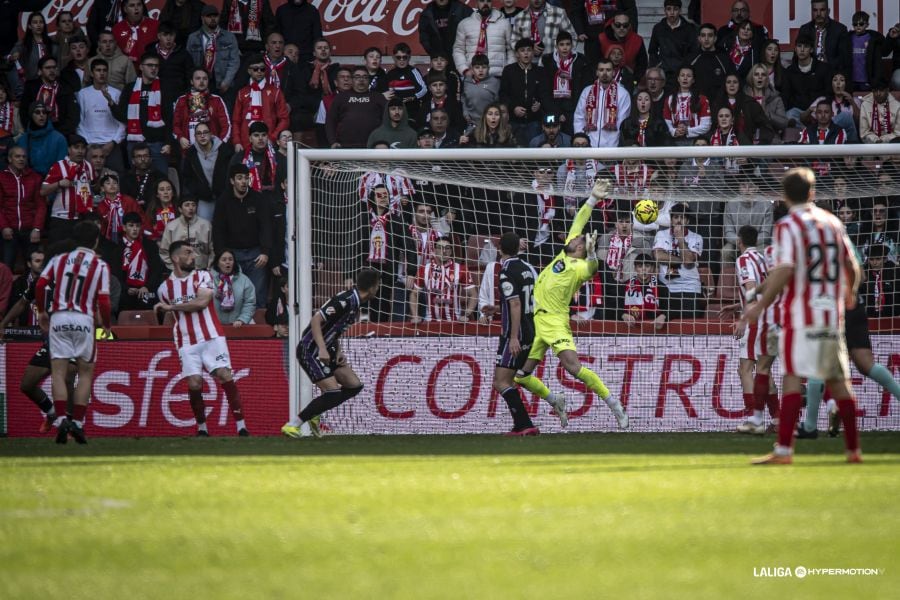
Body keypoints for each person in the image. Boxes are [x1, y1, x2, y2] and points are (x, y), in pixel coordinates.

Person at [740, 167, 862, 464]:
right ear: (813, 193)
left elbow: (784, 269)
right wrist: (850, 293)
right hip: (831, 312)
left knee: (792, 377)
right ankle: (853, 450)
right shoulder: (832, 222)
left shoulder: (787, 226)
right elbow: (851, 264)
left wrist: (758, 303)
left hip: (800, 314)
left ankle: (783, 450)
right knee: (838, 380)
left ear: (783, 197)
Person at [514, 179, 629, 430]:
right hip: (536, 322)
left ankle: (614, 405)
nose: (574, 237)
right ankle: (555, 399)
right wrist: (592, 199)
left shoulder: (579, 266)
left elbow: (592, 269)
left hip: (555, 321)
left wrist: (592, 255)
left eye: (579, 240)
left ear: (581, 248)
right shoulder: (563, 254)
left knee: (573, 367)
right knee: (519, 376)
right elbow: (579, 219)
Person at [155, 240, 249, 436]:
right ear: (175, 258)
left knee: (225, 374)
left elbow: (202, 302)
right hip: (186, 341)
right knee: (195, 383)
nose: (194, 256)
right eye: (188, 253)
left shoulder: (203, 276)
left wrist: (171, 307)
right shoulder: (164, 289)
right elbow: (168, 316)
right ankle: (202, 429)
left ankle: (241, 427)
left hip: (211, 336)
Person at [35, 221, 112, 444]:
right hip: (84, 319)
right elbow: (104, 300)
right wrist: (106, 325)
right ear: (96, 240)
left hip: (59, 318)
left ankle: (60, 420)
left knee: (58, 373)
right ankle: (77, 423)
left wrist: (42, 312)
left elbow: (40, 285)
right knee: (85, 373)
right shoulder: (100, 265)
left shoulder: (59, 260)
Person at [281, 268, 380, 438]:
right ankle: (293, 425)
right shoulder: (345, 301)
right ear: (372, 287)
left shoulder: (355, 303)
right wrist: (322, 349)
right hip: (310, 350)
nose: (378, 289)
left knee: (354, 386)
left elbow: (336, 329)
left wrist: (338, 351)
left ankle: (316, 411)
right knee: (333, 393)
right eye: (378, 285)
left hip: (329, 348)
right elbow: (316, 320)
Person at [718, 226, 779, 435]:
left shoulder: (743, 260)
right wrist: (737, 305)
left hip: (757, 319)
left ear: (739, 241)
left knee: (745, 369)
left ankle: (755, 420)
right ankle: (777, 419)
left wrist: (744, 318)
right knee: (764, 370)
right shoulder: (761, 258)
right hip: (770, 316)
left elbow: (752, 288)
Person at [491, 231, 543, 435]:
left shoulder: (506, 270)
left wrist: (513, 337)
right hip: (531, 329)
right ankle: (521, 424)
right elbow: (527, 299)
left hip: (516, 333)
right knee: (511, 380)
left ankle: (525, 424)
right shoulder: (528, 269)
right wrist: (496, 309)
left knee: (501, 381)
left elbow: (515, 302)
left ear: (499, 249)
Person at [213, 164, 272, 308]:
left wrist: (265, 252)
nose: (243, 181)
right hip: (233, 255)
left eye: (246, 178)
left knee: (258, 294)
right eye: (239, 178)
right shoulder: (223, 201)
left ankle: (258, 326)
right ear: (232, 181)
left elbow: (266, 226)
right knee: (235, 294)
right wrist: (222, 255)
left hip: (256, 254)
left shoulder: (258, 199)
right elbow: (218, 230)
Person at [113, 52, 173, 175]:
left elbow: (169, 117)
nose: (153, 68)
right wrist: (111, 104)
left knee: (161, 180)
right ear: (141, 67)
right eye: (150, 65)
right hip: (135, 144)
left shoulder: (164, 87)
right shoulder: (130, 88)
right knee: (136, 181)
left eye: (156, 66)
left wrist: (168, 142)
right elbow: (123, 117)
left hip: (157, 144)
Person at [409, 235, 477, 323]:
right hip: (430, 322)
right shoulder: (424, 269)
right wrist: (415, 316)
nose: (444, 251)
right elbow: (414, 294)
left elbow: (473, 295)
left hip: (454, 323)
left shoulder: (461, 269)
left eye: (447, 248)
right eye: (440, 248)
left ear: (451, 251)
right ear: (434, 250)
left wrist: (466, 314)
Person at [653, 203, 704, 319]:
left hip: (690, 287)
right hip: (666, 287)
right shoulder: (661, 234)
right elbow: (658, 256)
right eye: (676, 217)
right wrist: (683, 258)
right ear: (671, 220)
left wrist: (680, 238)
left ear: (688, 221)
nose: (679, 221)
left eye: (683, 217)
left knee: (689, 327)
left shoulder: (697, 237)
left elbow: (689, 261)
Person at [41, 134, 94, 244]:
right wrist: (59, 183)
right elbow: (43, 191)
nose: (80, 151)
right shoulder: (59, 166)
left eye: (83, 148)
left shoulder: (88, 166)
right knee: (57, 255)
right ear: (69, 149)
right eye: (76, 147)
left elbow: (92, 186)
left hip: (82, 219)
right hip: (61, 219)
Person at [76, 59, 126, 173]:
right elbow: (79, 121)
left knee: (116, 177)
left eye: (104, 70)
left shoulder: (116, 93)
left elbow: (122, 122)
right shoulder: (83, 94)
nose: (102, 73)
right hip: (90, 144)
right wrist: (88, 143)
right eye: (98, 70)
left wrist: (114, 142)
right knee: (88, 177)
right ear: (92, 73)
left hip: (112, 144)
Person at [231, 54, 290, 153]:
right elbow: (236, 121)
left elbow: (284, 119)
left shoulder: (275, 92)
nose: (259, 72)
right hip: (245, 143)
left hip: (269, 142)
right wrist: (237, 141)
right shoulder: (242, 93)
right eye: (255, 69)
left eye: (262, 69)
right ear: (249, 71)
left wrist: (273, 138)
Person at [0, 146, 44, 269]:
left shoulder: (35, 178)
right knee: (5, 268)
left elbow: (41, 205)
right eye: (17, 156)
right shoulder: (1, 177)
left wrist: (37, 228)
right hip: (9, 229)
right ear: (9, 159)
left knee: (34, 267)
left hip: (29, 229)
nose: (21, 159)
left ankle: (30, 288)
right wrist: (4, 227)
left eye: (24, 157)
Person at [181, 121, 236, 220]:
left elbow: (232, 174)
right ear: (195, 136)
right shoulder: (191, 154)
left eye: (205, 132)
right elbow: (187, 178)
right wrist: (199, 191)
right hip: (204, 198)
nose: (202, 136)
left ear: (211, 134)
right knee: (203, 225)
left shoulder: (225, 150)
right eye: (199, 133)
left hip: (224, 196)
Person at [538, 32, 589, 134]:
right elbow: (544, 91)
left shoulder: (581, 61)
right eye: (561, 45)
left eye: (567, 44)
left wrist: (576, 110)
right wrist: (556, 112)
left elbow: (584, 88)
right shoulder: (547, 61)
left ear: (572, 45)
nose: (565, 48)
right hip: (552, 107)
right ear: (556, 46)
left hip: (574, 107)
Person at [573, 57, 631, 148]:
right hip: (588, 146)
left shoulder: (623, 93)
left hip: (612, 147)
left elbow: (622, 123)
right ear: (597, 72)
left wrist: (614, 145)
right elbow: (579, 118)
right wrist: (581, 142)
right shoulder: (587, 91)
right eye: (601, 70)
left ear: (613, 72)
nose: (604, 73)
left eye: (608, 70)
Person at [185, 5, 240, 99]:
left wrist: (227, 82)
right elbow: (188, 63)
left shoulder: (229, 37)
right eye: (209, 16)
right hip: (200, 83)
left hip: (223, 83)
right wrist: (194, 82)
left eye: (215, 16)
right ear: (202, 18)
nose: (213, 18)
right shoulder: (193, 38)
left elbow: (234, 61)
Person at [325, 66, 387, 149]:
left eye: (365, 77)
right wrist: (333, 141)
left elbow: (388, 120)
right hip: (346, 147)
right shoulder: (341, 97)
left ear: (369, 80)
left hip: (373, 146)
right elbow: (330, 121)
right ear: (352, 80)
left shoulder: (378, 97)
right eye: (357, 77)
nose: (361, 80)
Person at [172, 67, 232, 149]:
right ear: (191, 81)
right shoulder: (182, 100)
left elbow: (226, 125)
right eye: (198, 78)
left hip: (212, 151)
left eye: (205, 79)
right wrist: (180, 137)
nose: (201, 81)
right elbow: (175, 124)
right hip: (188, 151)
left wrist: (220, 143)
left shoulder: (216, 100)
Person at [452, 0, 513, 79]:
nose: (485, 4)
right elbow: (458, 50)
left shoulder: (504, 23)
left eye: (488, 1)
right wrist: (465, 70)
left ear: (492, 3)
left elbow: (511, 49)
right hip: (472, 76)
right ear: (476, 3)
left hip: (499, 75)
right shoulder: (464, 24)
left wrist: (508, 70)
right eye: (482, 1)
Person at [22, 56, 79, 137]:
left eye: (54, 67)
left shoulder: (66, 87)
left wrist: (57, 134)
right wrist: (34, 131)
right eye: (48, 68)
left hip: (60, 134)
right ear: (39, 71)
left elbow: (73, 115)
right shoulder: (31, 87)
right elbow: (24, 112)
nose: (52, 70)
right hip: (35, 133)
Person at [118, 210, 164, 311]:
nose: (135, 229)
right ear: (124, 227)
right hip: (125, 290)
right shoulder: (118, 246)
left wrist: (147, 287)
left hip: (145, 289)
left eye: (137, 226)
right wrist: (126, 288)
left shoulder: (150, 245)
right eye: (131, 226)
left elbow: (156, 269)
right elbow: (115, 272)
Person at [500, 38, 543, 146]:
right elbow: (503, 94)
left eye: (529, 50)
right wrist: (513, 107)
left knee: (534, 154)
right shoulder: (508, 70)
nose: (526, 53)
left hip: (534, 121)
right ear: (517, 54)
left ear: (533, 52)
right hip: (513, 121)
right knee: (514, 152)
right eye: (522, 50)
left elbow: (545, 94)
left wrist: (539, 104)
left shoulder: (540, 71)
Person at [648, 0, 698, 91]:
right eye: (668, 9)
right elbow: (652, 51)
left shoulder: (689, 29)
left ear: (680, 11)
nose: (672, 12)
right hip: (663, 73)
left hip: (681, 74)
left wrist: (685, 68)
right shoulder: (658, 28)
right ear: (664, 11)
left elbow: (693, 52)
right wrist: (656, 67)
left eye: (675, 9)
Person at [782, 35, 832, 123]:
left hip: (818, 111)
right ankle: (808, 132)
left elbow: (829, 93)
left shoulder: (823, 68)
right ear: (795, 49)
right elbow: (786, 96)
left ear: (811, 50)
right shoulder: (789, 71)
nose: (802, 50)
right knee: (789, 116)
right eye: (799, 46)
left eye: (805, 46)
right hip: (798, 112)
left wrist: (818, 108)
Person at [509, 0, 576, 64]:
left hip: (553, 64)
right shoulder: (520, 17)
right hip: (528, 65)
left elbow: (572, 36)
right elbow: (514, 41)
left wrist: (563, 58)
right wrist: (528, 47)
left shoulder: (558, 13)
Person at [160, 194, 214, 270]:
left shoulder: (206, 225)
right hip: (179, 271)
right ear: (180, 209)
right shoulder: (171, 227)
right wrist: (174, 268)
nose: (191, 208)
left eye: (193, 205)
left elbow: (212, 250)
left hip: (201, 270)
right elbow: (164, 251)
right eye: (187, 205)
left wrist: (208, 267)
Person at [662, 64, 711, 145]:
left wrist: (688, 130)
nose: (685, 78)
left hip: (695, 141)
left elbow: (706, 125)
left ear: (693, 80)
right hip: (674, 141)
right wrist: (674, 131)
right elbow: (666, 123)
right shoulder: (669, 99)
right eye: (682, 75)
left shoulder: (702, 99)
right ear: (678, 78)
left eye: (688, 76)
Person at [596, 9, 646, 83]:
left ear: (629, 26)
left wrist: (634, 81)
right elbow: (595, 63)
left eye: (625, 25)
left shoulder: (637, 40)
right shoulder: (601, 39)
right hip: (604, 81)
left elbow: (642, 64)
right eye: (618, 25)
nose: (621, 28)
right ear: (612, 25)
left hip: (630, 81)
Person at [620, 252, 667, 330]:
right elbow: (614, 307)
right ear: (635, 268)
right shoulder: (624, 286)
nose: (643, 269)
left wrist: (664, 316)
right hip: (630, 329)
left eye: (647, 266)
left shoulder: (661, 287)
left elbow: (670, 308)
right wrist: (623, 315)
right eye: (640, 266)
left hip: (655, 329)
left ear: (652, 268)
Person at [797, 0, 848, 71]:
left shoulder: (840, 30)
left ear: (828, 11)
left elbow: (843, 58)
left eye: (822, 10)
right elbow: (797, 55)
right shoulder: (805, 29)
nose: (818, 14)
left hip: (832, 74)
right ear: (812, 12)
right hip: (809, 75)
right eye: (815, 10)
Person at [210, 248, 256, 325]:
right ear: (217, 263)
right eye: (224, 260)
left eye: (230, 259)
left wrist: (242, 320)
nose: (228, 262)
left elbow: (250, 303)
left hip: (238, 325)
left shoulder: (244, 280)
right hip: (213, 325)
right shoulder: (208, 279)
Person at [95, 172, 145, 243]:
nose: (112, 185)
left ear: (118, 187)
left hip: (131, 238)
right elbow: (102, 228)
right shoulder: (101, 206)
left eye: (115, 183)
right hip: (109, 241)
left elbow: (141, 218)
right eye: (108, 183)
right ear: (102, 188)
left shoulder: (128, 200)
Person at [112, 0, 160, 68]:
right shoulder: (117, 29)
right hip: (125, 71)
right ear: (125, 9)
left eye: (139, 4)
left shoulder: (155, 25)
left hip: (151, 70)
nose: (136, 8)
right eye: (132, 5)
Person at [461, 54, 500, 127]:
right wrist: (465, 113)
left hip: (489, 123)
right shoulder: (467, 82)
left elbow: (498, 103)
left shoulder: (495, 82)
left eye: (484, 67)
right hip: (471, 123)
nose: (481, 70)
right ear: (472, 69)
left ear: (488, 68)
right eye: (477, 67)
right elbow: (463, 99)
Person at [859, 79, 900, 144]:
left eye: (881, 90)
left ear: (887, 90)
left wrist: (883, 140)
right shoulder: (865, 105)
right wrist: (875, 140)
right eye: (875, 91)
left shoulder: (897, 106)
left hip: (891, 144)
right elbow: (864, 133)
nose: (878, 94)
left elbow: (898, 133)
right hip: (871, 145)